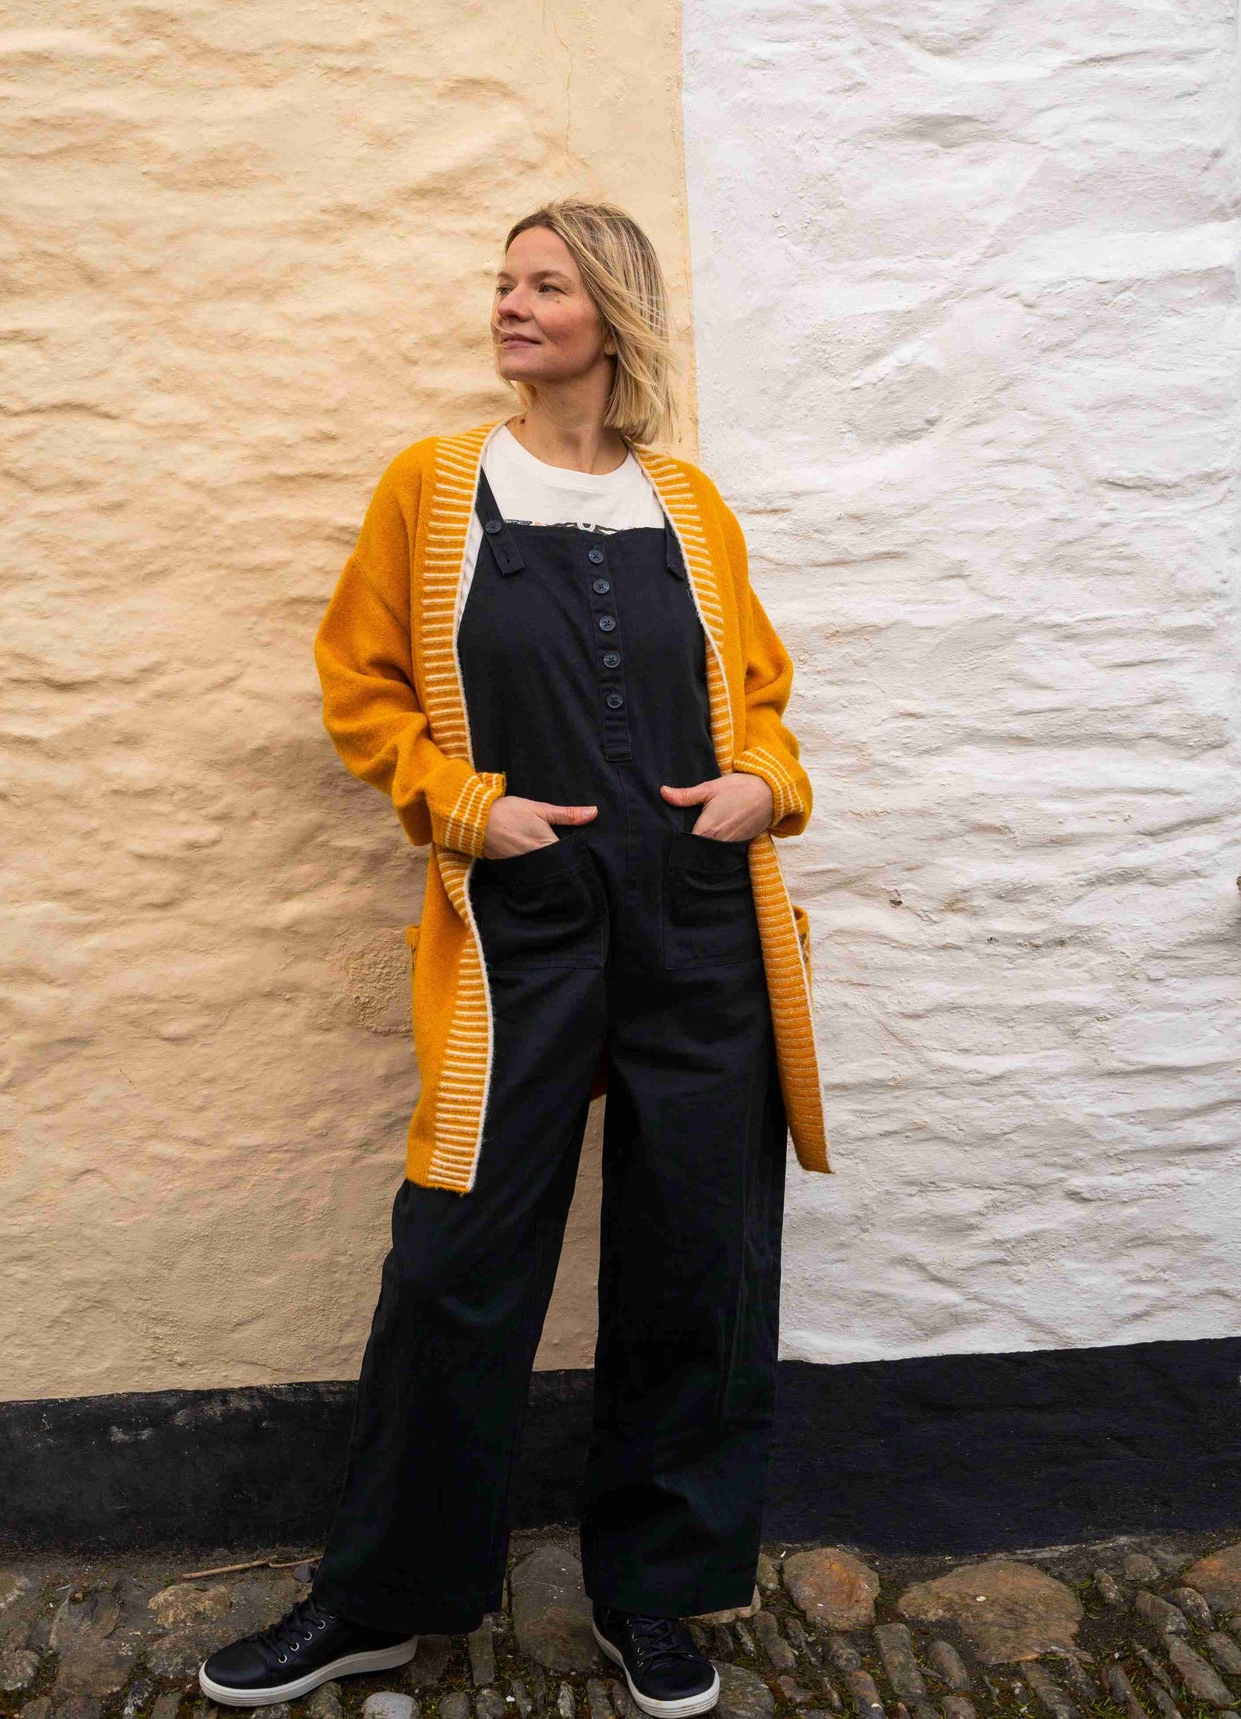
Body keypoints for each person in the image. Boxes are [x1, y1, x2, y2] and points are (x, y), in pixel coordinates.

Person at [199, 200, 831, 1719]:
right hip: (518, 936)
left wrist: (765, 781)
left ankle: (658, 1595)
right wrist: (463, 807)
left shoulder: (689, 503)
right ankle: (376, 1601)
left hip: (699, 930)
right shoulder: (432, 487)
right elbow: (360, 687)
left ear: (609, 316)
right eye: (502, 283)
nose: (508, 305)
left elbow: (759, 694)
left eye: (542, 285)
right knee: (458, 1270)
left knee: (695, 1265)